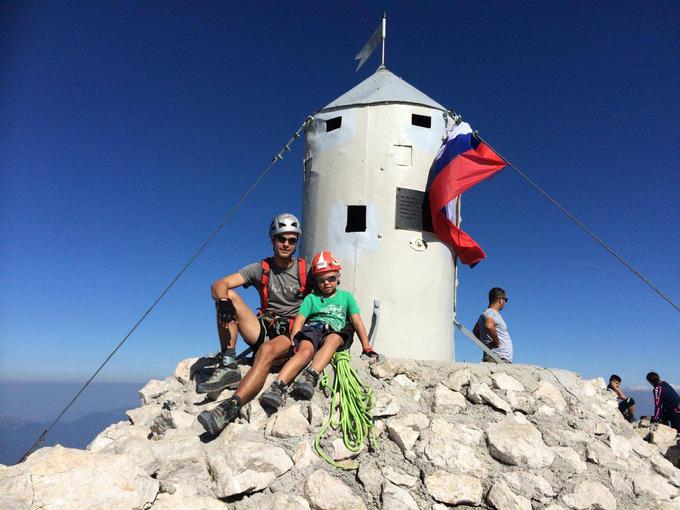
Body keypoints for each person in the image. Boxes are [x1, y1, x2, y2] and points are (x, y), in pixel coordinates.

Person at [197, 213, 307, 436]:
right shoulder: (261, 268)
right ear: (272, 239)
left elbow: (328, 290)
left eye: (292, 240)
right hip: (264, 327)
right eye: (281, 239)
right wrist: (224, 301)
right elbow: (219, 284)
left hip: (288, 334)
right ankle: (229, 363)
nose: (286, 244)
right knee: (226, 295)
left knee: (266, 351)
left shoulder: (305, 271)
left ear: (297, 242)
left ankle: (230, 407)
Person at [258, 250, 378, 409]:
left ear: (338, 276)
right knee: (305, 351)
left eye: (331, 278)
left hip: (334, 331)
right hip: (313, 329)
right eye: (321, 280)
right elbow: (300, 319)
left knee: (334, 339)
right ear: (316, 281)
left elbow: (357, 322)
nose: (326, 283)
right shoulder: (311, 298)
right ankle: (278, 386)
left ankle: (311, 375)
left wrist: (367, 347)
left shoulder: (346, 297)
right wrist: (294, 342)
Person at [473, 287, 513, 363]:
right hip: (498, 358)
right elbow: (489, 325)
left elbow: (475, 331)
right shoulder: (491, 312)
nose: (505, 302)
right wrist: (496, 342)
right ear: (500, 300)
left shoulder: (484, 314)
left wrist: (486, 345)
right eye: (506, 300)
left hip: (495, 357)